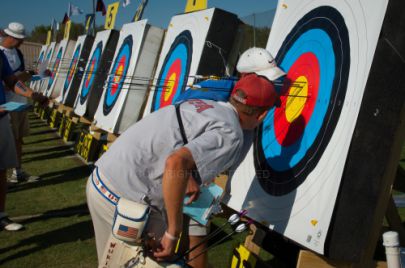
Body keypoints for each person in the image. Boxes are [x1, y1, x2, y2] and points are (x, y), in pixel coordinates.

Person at [87, 65, 281, 266]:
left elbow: (172, 142)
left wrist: (186, 175)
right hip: (129, 202)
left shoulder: (202, 102)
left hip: (101, 181)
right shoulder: (231, 134)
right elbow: (175, 162)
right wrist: (173, 233)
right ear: (262, 115)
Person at [0, 46, 48, 231]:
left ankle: (1, 215)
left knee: (2, 168)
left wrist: (32, 95)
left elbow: (11, 80)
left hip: (2, 117)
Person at [1, 22, 39, 183]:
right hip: (6, 106)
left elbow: (14, 80)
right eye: (19, 39)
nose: (22, 42)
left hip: (20, 103)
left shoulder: (18, 53)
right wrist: (21, 78)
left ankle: (18, 171)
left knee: (19, 138)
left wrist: (29, 75)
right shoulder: (1, 52)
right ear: (11, 37)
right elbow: (8, 83)